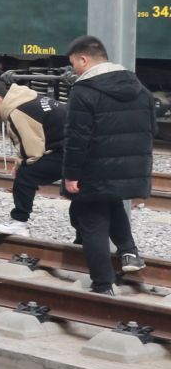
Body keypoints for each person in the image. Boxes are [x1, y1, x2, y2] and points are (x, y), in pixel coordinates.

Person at [62, 34, 153, 292]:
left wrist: (71, 174)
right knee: (112, 202)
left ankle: (103, 284)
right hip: (132, 167)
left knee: (91, 221)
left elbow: (77, 138)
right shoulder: (138, 86)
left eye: (74, 64)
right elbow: (151, 128)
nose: (74, 70)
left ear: (84, 59)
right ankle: (129, 252)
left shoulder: (83, 90)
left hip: (95, 169)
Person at [0, 79, 65, 236]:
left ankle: (19, 222)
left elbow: (33, 150)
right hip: (79, 148)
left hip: (71, 152)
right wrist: (20, 162)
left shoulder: (16, 111)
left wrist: (21, 165)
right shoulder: (25, 99)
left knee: (26, 174)